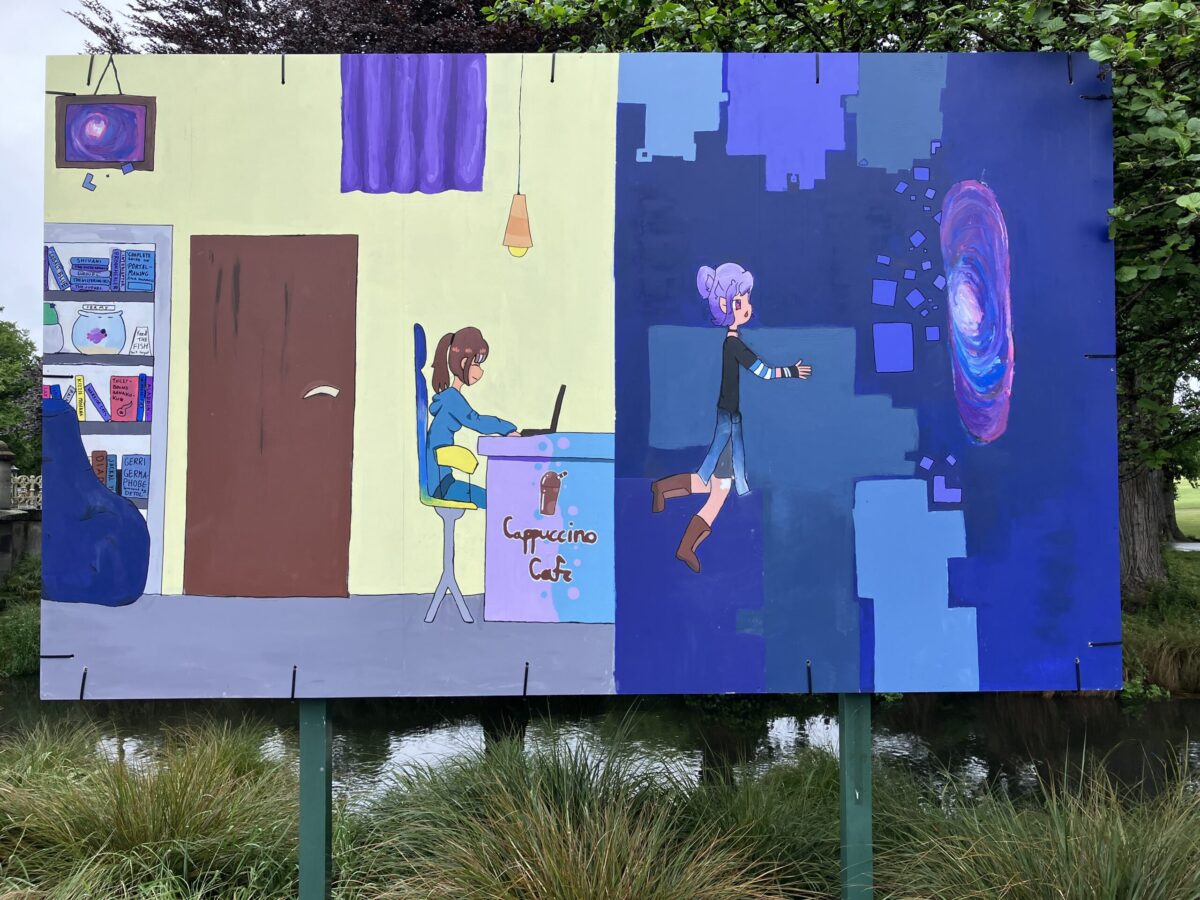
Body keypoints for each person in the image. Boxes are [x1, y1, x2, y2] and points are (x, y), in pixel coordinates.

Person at [651, 263, 812, 573]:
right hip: (728, 422)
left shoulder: (731, 343)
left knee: (711, 484)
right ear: (725, 306)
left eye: (746, 300)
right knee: (718, 488)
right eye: (740, 302)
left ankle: (664, 492)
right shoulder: (734, 345)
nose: (747, 307)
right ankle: (684, 543)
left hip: (728, 418)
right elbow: (763, 372)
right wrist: (791, 371)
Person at [426, 326, 517, 509]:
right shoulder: (452, 399)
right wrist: (507, 430)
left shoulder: (449, 397)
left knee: (495, 498)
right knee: (495, 500)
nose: (480, 371)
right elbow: (477, 421)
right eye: (477, 364)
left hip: (441, 480)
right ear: (463, 363)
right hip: (442, 486)